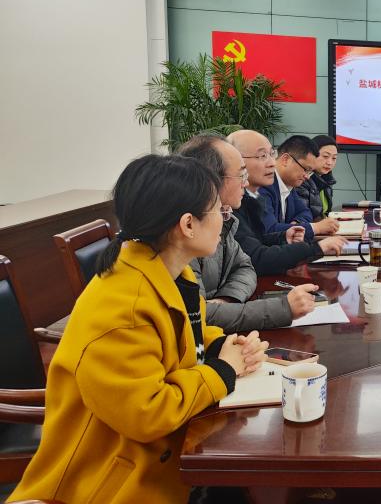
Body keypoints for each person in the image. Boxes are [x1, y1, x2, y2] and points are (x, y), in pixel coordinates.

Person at [10, 154, 269, 504]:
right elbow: (147, 414)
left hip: (170, 459)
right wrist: (222, 370)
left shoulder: (172, 271)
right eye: (218, 212)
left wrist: (222, 345)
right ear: (187, 225)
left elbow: (182, 333)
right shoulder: (123, 305)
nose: (224, 220)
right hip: (112, 484)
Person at [179, 134, 319, 332]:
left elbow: (246, 267)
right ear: (211, 179)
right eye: (241, 175)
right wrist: (283, 308)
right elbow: (198, 317)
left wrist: (228, 298)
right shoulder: (183, 234)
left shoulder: (226, 219)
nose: (245, 184)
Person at [226, 130, 346, 275]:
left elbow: (304, 212)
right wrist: (316, 245)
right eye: (262, 156)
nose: (272, 163)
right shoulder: (251, 195)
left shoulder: (282, 186)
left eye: (271, 154)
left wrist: (285, 234)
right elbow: (257, 257)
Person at [260, 134, 340, 238]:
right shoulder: (263, 185)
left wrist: (296, 224)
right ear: (286, 160)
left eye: (310, 172)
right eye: (306, 169)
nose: (307, 176)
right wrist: (316, 227)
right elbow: (269, 230)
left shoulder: (289, 184)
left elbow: (305, 212)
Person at [294, 135, 339, 221]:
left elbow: (326, 213)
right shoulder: (302, 179)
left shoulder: (327, 180)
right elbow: (301, 218)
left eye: (334, 158)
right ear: (311, 155)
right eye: (325, 156)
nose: (330, 162)